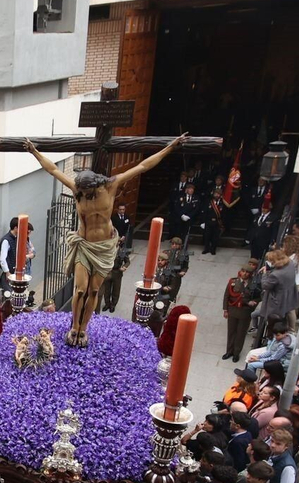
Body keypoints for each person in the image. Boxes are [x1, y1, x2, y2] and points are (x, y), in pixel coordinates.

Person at [22, 134, 187, 347]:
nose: (82, 194)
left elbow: (143, 166)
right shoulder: (77, 188)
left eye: (87, 192)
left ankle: (83, 330)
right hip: (84, 244)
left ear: (95, 187)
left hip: (104, 247)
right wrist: (34, 151)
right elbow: (53, 169)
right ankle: (74, 327)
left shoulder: (111, 186)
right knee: (80, 289)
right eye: (80, 191)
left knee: (93, 290)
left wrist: (170, 147)